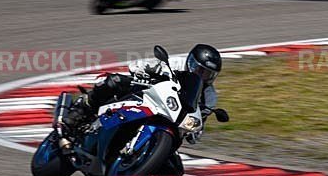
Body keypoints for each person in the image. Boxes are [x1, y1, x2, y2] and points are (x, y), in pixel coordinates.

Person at [64, 44, 222, 140]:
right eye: (199, 70)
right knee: (114, 82)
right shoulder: (175, 63)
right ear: (190, 62)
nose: (202, 76)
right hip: (148, 94)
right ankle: (82, 109)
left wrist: (193, 132)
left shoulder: (210, 97)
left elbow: (199, 124)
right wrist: (144, 70)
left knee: (173, 170)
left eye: (208, 74)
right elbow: (138, 66)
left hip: (171, 118)